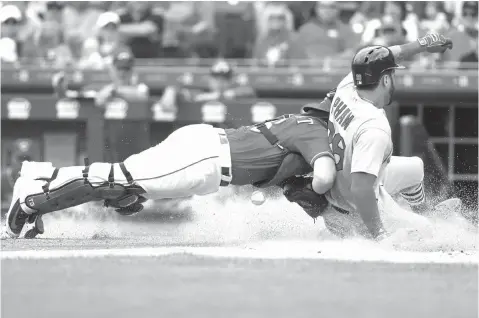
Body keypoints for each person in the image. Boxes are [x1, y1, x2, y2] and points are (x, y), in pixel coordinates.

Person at [4, 94, 336, 239]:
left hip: (207, 154)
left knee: (124, 186)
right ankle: (33, 194)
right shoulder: (315, 129)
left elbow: (276, 164)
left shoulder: (305, 122)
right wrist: (314, 188)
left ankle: (39, 185)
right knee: (119, 180)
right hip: (207, 157)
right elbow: (323, 176)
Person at [306, 33, 455, 240]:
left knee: (415, 166)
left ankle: (422, 212)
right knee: (428, 232)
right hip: (354, 207)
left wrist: (422, 45)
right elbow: (361, 189)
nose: (394, 79)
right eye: (393, 75)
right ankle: (350, 230)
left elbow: (388, 55)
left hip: (343, 183)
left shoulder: (347, 86)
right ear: (385, 80)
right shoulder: (374, 127)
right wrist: (379, 235)